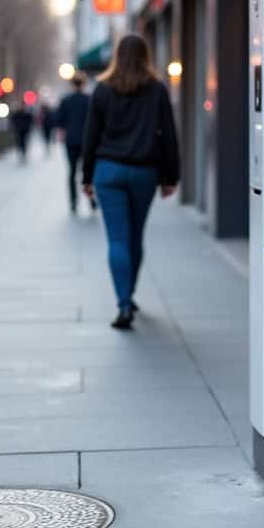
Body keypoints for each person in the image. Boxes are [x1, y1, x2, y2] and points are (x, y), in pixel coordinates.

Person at [81, 35, 180, 329]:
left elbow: (91, 136)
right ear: (145, 56)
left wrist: (86, 176)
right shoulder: (157, 90)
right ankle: (129, 294)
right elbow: (169, 136)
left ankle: (124, 302)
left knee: (117, 239)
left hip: (108, 171)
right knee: (135, 236)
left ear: (116, 57)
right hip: (143, 172)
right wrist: (170, 177)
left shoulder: (102, 90)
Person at [54, 76, 93, 213]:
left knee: (71, 171)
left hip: (70, 140)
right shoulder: (89, 100)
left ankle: (73, 201)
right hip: (87, 141)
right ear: (83, 84)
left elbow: (58, 120)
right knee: (88, 170)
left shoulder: (66, 100)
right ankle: (91, 199)